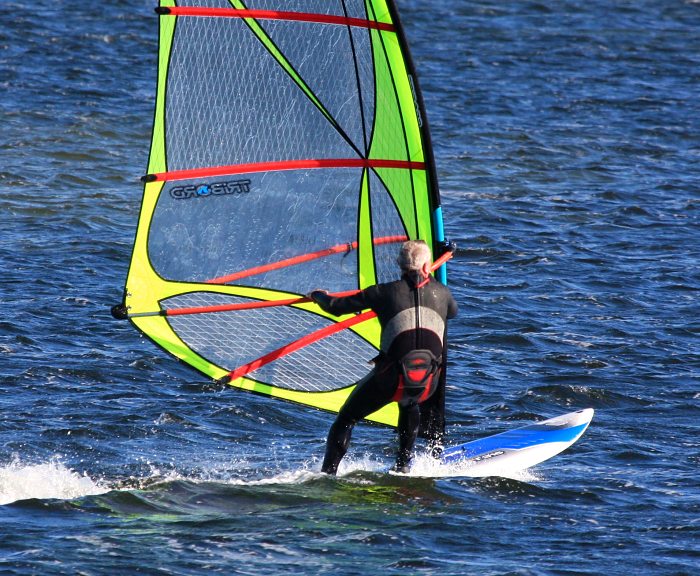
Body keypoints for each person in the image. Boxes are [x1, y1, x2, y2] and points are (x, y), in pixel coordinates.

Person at [308, 240, 458, 474]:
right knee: (410, 402)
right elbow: (453, 311)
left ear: (399, 264)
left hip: (389, 382)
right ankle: (403, 466)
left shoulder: (382, 292)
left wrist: (319, 295)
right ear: (428, 265)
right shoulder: (443, 293)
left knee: (346, 418)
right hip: (428, 384)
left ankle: (328, 473)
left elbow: (335, 307)